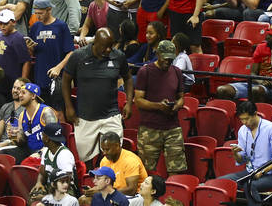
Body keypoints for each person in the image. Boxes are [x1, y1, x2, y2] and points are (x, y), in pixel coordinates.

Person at [61, 27, 132, 162]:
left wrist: (128, 102)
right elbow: (65, 81)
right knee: (85, 159)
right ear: (95, 43)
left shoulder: (118, 56)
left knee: (114, 156)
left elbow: (128, 78)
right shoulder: (78, 56)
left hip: (111, 115)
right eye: (105, 47)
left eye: (111, 46)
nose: (109, 50)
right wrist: (68, 107)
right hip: (85, 117)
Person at [133, 39, 186, 175]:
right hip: (150, 129)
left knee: (177, 170)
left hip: (172, 128)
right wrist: (158, 106)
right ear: (158, 54)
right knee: (146, 171)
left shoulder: (177, 72)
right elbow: (138, 100)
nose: (168, 62)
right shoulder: (145, 71)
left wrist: (177, 105)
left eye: (171, 59)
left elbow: (181, 97)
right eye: (165, 58)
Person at [218, 100, 272, 205]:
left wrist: (262, 172)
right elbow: (242, 159)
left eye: (247, 119)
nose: (244, 122)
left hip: (271, 175)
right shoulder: (242, 131)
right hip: (250, 172)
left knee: (249, 186)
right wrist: (236, 154)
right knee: (221, 182)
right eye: (241, 120)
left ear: (255, 114)